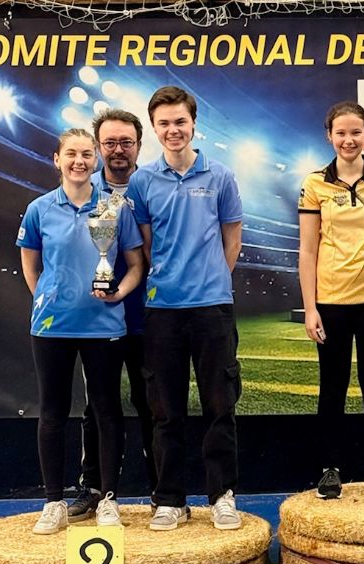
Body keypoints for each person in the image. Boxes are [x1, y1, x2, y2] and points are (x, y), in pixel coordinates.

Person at [16, 128, 144, 533]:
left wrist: (118, 293)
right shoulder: (39, 209)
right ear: (57, 159)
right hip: (51, 327)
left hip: (104, 325)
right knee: (52, 412)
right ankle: (53, 501)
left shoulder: (114, 208)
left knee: (106, 411)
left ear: (96, 159)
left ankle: (108, 499)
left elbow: (136, 265)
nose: (79, 161)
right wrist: (49, 300)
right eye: (71, 154)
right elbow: (31, 265)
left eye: (87, 154)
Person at [128, 86, 244, 531]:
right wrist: (171, 279)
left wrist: (212, 280)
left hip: (212, 307)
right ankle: (170, 499)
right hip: (163, 309)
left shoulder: (221, 176)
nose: (173, 130)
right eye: (164, 123)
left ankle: (222, 496)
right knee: (165, 410)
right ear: (154, 128)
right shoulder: (142, 181)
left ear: (194, 123)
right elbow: (147, 244)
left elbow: (232, 240)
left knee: (220, 405)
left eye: (180, 121)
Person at [298, 101, 364, 500]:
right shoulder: (315, 183)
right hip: (330, 301)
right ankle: (329, 469)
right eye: (341, 133)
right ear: (329, 136)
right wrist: (311, 308)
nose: (348, 140)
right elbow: (308, 250)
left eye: (355, 132)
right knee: (333, 386)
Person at [68, 108, 160, 522]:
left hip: (149, 315)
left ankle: (162, 491)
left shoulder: (153, 186)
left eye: (126, 142)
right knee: (97, 408)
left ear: (139, 145)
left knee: (154, 405)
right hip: (99, 320)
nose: (118, 150)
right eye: (109, 143)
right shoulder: (83, 191)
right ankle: (94, 488)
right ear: (98, 146)